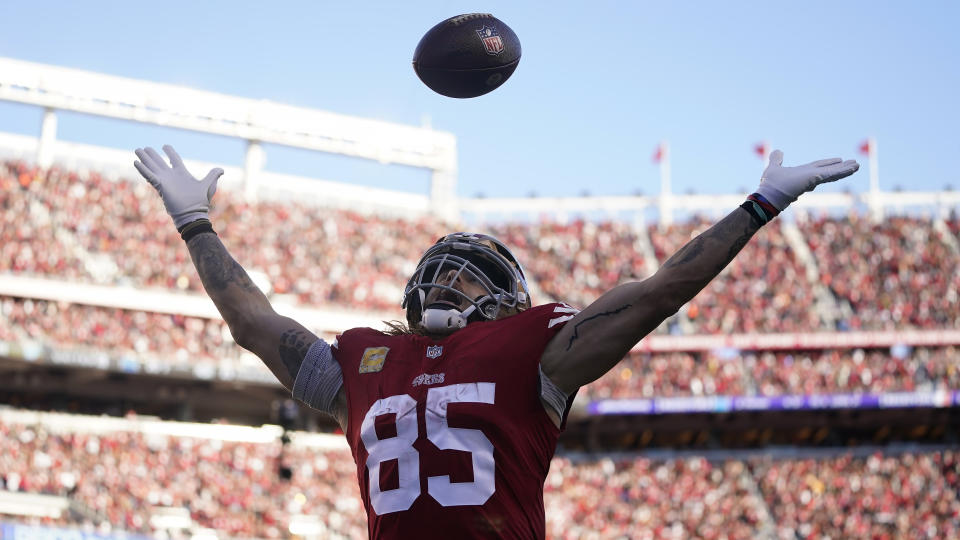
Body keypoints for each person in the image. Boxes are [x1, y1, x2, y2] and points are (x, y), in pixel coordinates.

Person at [133, 145, 858, 539]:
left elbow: (662, 290)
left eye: (470, 277)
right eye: (438, 269)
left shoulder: (537, 351)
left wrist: (761, 204)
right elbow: (255, 326)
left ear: (508, 299)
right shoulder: (364, 359)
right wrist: (195, 222)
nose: (447, 281)